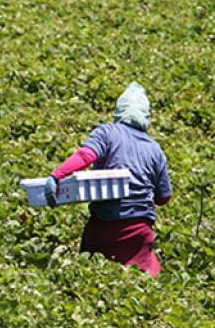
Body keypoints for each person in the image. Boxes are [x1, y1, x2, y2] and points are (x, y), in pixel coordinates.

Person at [46, 82, 172, 276]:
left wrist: (57, 176)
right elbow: (164, 198)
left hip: (105, 227)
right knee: (141, 281)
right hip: (139, 231)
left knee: (91, 274)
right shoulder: (155, 149)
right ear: (146, 117)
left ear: (118, 112)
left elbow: (85, 156)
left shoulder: (107, 132)